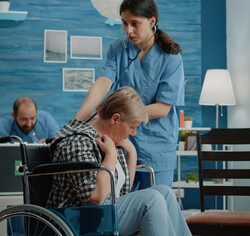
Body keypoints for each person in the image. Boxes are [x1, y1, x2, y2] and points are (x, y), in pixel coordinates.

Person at [47, 87, 193, 236]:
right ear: (115, 119)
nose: (133, 133)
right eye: (132, 127)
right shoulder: (78, 142)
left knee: (165, 193)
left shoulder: (111, 140)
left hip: (104, 212)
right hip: (78, 218)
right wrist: (110, 155)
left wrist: (131, 154)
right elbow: (95, 199)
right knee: (151, 200)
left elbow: (121, 193)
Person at [75, 0, 185, 189]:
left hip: (158, 145)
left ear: (151, 22)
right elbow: (103, 84)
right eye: (124, 23)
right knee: (124, 204)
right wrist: (77, 122)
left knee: (155, 205)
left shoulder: (171, 57)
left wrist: (119, 115)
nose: (128, 30)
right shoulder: (119, 48)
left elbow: (162, 108)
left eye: (135, 23)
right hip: (122, 141)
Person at [0, 96, 60, 162]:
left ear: (36, 113)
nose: (29, 124)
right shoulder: (3, 124)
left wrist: (51, 147)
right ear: (14, 116)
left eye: (33, 118)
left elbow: (60, 148)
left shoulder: (46, 120)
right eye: (23, 119)